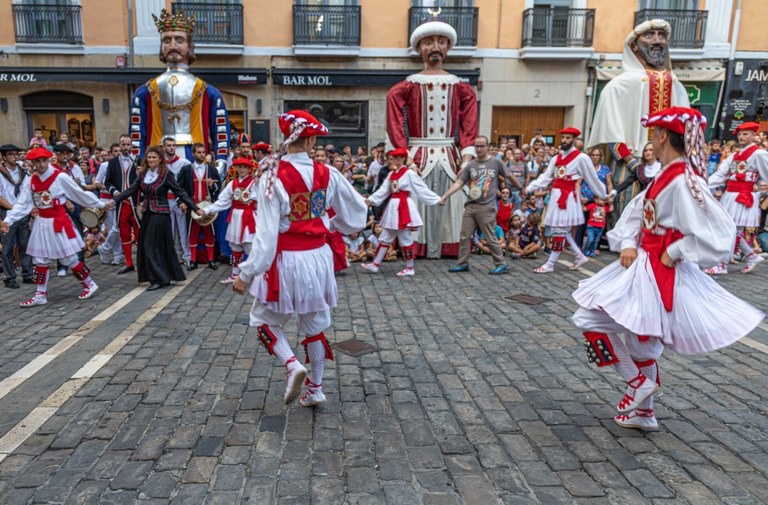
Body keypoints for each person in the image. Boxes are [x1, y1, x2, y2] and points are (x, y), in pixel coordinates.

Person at [572, 107, 764, 429]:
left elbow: (719, 234)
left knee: (591, 316)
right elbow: (639, 211)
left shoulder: (682, 181)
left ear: (662, 137)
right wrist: (629, 242)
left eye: (653, 136)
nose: (652, 141)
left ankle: (636, 384)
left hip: (658, 270)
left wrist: (675, 250)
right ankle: (645, 413)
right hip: (645, 264)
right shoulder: (667, 176)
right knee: (641, 341)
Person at [232, 110, 367, 408]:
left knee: (263, 320)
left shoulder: (271, 176)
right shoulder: (328, 173)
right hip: (319, 257)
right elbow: (357, 215)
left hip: (285, 259)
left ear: (286, 138)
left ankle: (292, 364)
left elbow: (266, 237)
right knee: (315, 325)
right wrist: (331, 225)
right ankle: (315, 389)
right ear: (311, 141)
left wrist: (246, 273)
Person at [387, 17, 478, 258]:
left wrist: (467, 159)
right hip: (418, 154)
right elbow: (394, 117)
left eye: (440, 42)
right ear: (419, 48)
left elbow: (469, 126)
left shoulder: (462, 88)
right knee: (415, 199)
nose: (435, 47)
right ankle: (415, 246)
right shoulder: (406, 86)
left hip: (449, 155)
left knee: (452, 201)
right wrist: (405, 155)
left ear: (448, 47)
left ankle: (447, 246)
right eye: (428, 42)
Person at [587, 19, 689, 218]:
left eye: (662, 36)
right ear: (634, 44)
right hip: (631, 163)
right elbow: (611, 133)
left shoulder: (676, 85)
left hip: (669, 164)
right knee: (628, 216)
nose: (657, 40)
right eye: (650, 36)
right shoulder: (617, 86)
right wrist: (634, 164)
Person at [0, 147, 113, 307]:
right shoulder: (31, 180)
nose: (41, 164)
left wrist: (100, 204)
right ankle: (40, 294)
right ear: (32, 163)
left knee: (69, 258)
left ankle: (89, 284)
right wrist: (8, 221)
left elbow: (78, 193)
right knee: (40, 259)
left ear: (48, 160)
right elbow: (23, 204)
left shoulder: (59, 177)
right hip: (42, 223)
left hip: (59, 221)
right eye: (37, 161)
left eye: (43, 160)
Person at [114, 145, 201, 291]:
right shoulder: (143, 174)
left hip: (161, 214)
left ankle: (158, 279)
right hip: (147, 214)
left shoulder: (166, 174)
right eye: (149, 157)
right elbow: (131, 190)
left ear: (160, 159)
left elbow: (180, 192)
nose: (151, 160)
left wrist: (195, 208)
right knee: (149, 246)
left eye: (154, 157)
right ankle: (162, 277)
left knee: (151, 246)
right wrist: (114, 200)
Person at [526, 128, 607, 273]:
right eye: (563, 137)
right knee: (562, 230)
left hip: (567, 197)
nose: (564, 140)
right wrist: (530, 188)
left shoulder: (581, 157)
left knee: (559, 230)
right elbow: (547, 177)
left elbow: (591, 177)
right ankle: (579, 255)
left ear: (574, 139)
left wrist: (602, 194)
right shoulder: (556, 158)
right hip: (556, 196)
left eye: (568, 138)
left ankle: (550, 264)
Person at [442, 136, 521, 275]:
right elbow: (459, 182)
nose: (479, 149)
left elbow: (509, 176)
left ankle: (501, 263)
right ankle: (462, 263)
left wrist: (521, 189)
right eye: (476, 146)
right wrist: (445, 196)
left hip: (487, 206)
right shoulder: (471, 165)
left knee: (490, 236)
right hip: (471, 205)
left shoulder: (496, 162)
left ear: (487, 146)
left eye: (481, 146)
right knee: (464, 236)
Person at [361, 148, 441, 276]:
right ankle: (375, 264)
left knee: (405, 238)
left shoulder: (409, 173)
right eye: (394, 157)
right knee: (386, 236)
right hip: (393, 207)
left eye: (398, 157)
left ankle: (410, 267)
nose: (395, 160)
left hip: (403, 207)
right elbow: (384, 190)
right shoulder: (392, 174)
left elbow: (420, 188)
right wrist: (371, 200)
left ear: (404, 158)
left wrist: (436, 199)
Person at [705, 122, 768, 274]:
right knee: (734, 230)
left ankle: (722, 264)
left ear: (753, 136)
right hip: (731, 195)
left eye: (745, 134)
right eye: (739, 134)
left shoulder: (759, 154)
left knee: (730, 229)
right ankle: (751, 256)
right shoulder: (735, 155)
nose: (741, 136)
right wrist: (704, 184)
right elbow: (722, 175)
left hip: (743, 196)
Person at [199, 157, 258, 284]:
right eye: (239, 167)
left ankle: (254, 275)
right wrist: (208, 210)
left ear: (249, 169)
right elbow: (223, 201)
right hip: (236, 218)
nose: (241, 169)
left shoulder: (254, 184)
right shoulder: (232, 184)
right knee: (235, 247)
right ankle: (234, 274)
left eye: (244, 167)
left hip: (249, 218)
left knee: (251, 247)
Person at [178, 143, 220, 270]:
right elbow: (179, 189)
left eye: (203, 152)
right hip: (192, 207)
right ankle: (193, 260)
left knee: (209, 234)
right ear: (193, 154)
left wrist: (212, 185)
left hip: (208, 207)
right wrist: (181, 202)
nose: (201, 155)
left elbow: (218, 189)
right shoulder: (186, 170)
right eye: (199, 152)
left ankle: (211, 260)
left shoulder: (212, 170)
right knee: (192, 234)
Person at [104, 135, 141, 274]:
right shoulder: (113, 162)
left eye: (128, 145)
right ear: (119, 146)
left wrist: (140, 174)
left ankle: (141, 262)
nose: (125, 147)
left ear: (132, 146)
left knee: (139, 233)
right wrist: (115, 192)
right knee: (124, 234)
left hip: (135, 202)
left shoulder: (138, 160)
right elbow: (108, 182)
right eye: (123, 145)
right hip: (122, 203)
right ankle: (128, 263)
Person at [0, 144, 33, 288]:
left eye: (16, 154)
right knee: (7, 246)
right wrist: (14, 209)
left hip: (22, 213)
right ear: (4, 157)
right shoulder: (0, 173)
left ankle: (28, 274)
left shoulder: (23, 172)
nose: (15, 157)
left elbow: (28, 191)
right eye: (11, 154)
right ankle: (9, 277)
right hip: (7, 212)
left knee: (25, 244)